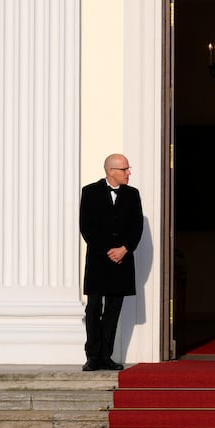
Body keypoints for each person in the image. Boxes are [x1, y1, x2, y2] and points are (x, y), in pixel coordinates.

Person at [80, 153, 144, 371]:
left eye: (128, 168)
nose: (129, 172)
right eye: (124, 169)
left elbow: (137, 226)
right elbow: (86, 227)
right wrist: (108, 250)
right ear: (111, 172)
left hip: (122, 262)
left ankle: (106, 355)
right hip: (98, 262)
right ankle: (92, 356)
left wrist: (124, 249)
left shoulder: (133, 194)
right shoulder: (89, 192)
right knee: (94, 308)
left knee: (113, 310)